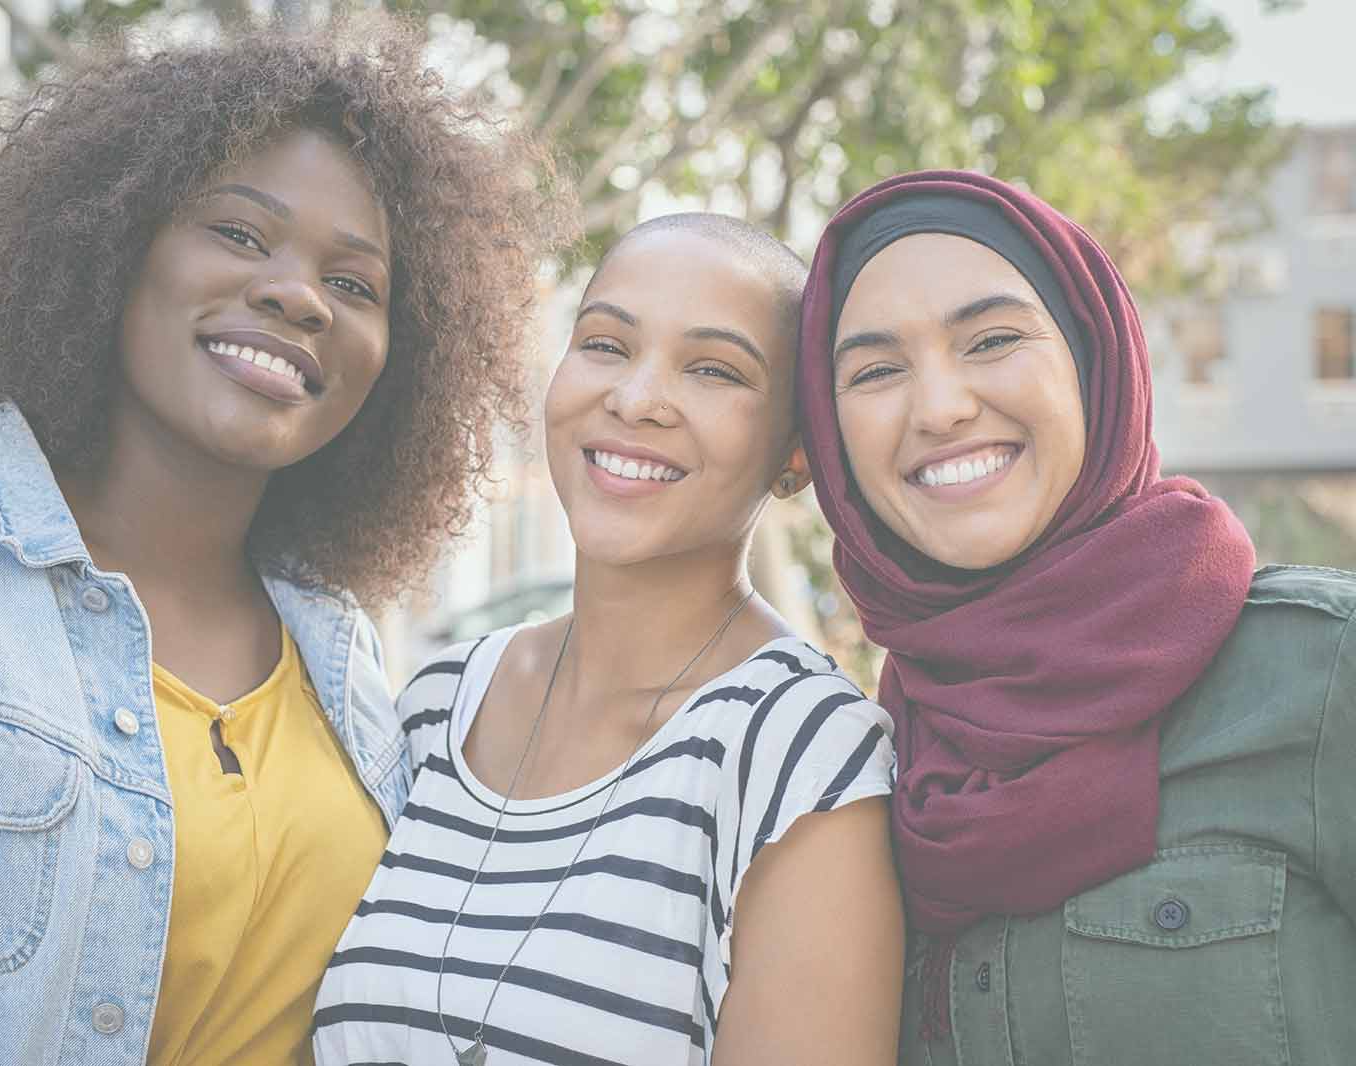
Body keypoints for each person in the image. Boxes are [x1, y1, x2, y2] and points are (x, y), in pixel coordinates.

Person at [0, 14, 573, 1065]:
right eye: (239, 232)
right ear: (114, 243)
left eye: (354, 284)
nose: (295, 295)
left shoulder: (340, 655)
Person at [313, 213, 904, 1066]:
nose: (634, 398)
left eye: (712, 369)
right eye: (604, 344)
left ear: (797, 454)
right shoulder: (440, 701)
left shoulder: (802, 751)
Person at [795, 169, 1356, 1066]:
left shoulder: (1322, 675)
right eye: (876, 370)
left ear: (1095, 360)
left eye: (992, 339)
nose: (939, 407)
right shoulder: (857, 768)